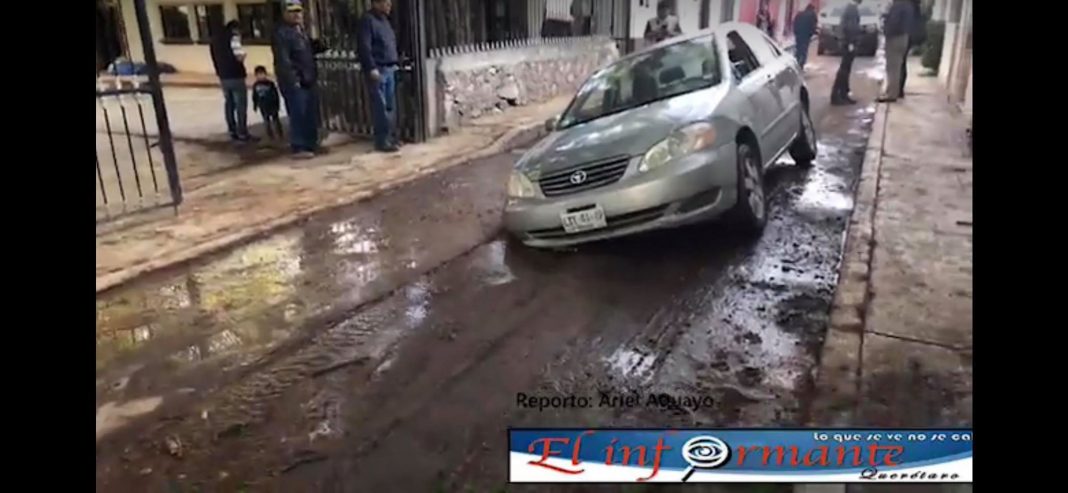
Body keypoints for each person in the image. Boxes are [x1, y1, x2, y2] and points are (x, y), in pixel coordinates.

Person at [273, 0, 321, 158]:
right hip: (296, 82)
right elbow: (283, 61)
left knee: (310, 113)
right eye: (292, 11)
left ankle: (311, 143)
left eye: (299, 11)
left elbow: (306, 52)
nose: (297, 15)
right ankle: (299, 147)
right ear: (285, 13)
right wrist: (293, 80)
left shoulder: (301, 30)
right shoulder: (282, 33)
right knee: (298, 113)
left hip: (308, 78)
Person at [357, 0, 401, 153]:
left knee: (389, 106)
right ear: (376, 3)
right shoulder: (368, 21)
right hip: (379, 69)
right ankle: (382, 140)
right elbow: (364, 46)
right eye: (385, 2)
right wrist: (371, 67)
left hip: (389, 68)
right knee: (380, 107)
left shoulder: (385, 21)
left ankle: (390, 137)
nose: (389, 5)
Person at [210, 20, 252, 142]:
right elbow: (239, 56)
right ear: (235, 29)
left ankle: (232, 130)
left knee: (229, 103)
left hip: (223, 76)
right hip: (236, 75)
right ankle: (242, 132)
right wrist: (244, 56)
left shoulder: (215, 41)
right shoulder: (234, 39)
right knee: (240, 105)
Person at [879, 0, 914, 103]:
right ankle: (894, 91)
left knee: (893, 68)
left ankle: (891, 94)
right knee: (897, 66)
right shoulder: (908, 5)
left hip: (895, 37)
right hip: (903, 37)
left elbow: (894, 22)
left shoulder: (899, 5)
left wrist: (885, 28)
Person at [830, 0, 862, 106]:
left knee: (845, 70)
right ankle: (837, 95)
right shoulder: (852, 8)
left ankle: (843, 94)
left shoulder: (850, 7)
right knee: (844, 71)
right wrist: (851, 42)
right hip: (848, 43)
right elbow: (851, 27)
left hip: (847, 42)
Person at [899, 0, 925, 99]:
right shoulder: (915, 7)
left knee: (901, 63)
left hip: (906, 36)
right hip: (910, 36)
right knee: (902, 63)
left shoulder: (908, 6)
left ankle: (899, 89)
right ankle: (900, 89)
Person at [251, 66, 283, 141]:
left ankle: (279, 133)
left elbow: (275, 94)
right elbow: (254, 96)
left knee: (276, 120)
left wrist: (277, 104)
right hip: (263, 106)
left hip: (272, 105)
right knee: (266, 121)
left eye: (262, 74)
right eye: (258, 75)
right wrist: (255, 105)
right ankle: (270, 135)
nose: (261, 76)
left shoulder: (270, 84)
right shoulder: (255, 85)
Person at [793, 4, 818, 70]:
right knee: (804, 50)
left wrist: (796, 32)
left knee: (798, 49)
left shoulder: (799, 14)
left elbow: (795, 23)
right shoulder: (812, 15)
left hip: (799, 34)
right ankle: (801, 65)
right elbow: (813, 26)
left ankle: (796, 62)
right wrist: (813, 33)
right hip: (806, 35)